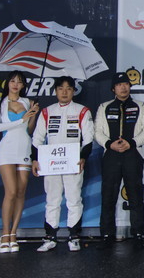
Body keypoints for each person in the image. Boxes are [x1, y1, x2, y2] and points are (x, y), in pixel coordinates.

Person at [31, 76, 94, 252]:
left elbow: (88, 138)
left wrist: (83, 157)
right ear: (56, 91)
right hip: (50, 163)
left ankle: (74, 236)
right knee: (52, 199)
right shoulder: (47, 111)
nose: (64, 92)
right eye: (61, 88)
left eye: (68, 88)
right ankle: (50, 236)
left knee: (74, 199)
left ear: (74, 91)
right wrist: (35, 159)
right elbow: (37, 138)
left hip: (73, 162)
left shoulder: (82, 111)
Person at [95, 72, 144, 249]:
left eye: (126, 84)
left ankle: (138, 233)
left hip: (133, 154)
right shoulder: (104, 107)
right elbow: (97, 131)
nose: (123, 87)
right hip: (111, 155)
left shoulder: (141, 106)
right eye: (119, 84)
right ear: (113, 88)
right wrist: (109, 144)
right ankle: (107, 233)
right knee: (108, 195)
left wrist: (132, 143)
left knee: (135, 195)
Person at [0, 70, 39, 253]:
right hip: (7, 150)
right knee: (10, 191)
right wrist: (22, 119)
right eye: (12, 81)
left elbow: (29, 130)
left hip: (24, 149)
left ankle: (13, 234)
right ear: (7, 83)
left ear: (23, 85)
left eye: (19, 81)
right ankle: (4, 234)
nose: (15, 84)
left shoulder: (27, 102)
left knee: (20, 191)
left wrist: (33, 115)